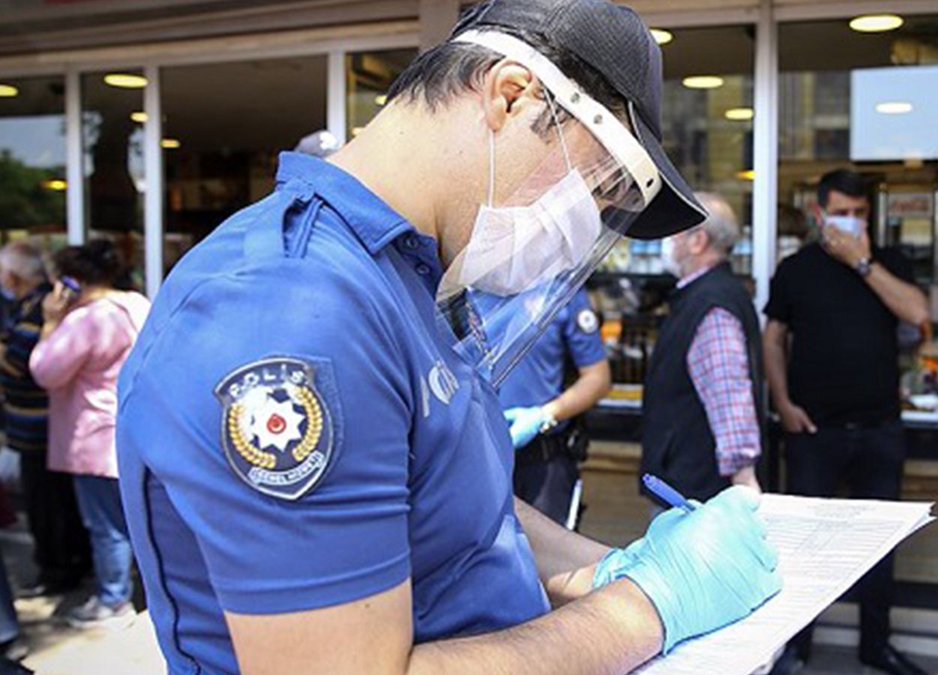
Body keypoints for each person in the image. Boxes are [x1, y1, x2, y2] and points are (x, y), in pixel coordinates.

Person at [115, 2, 782, 673]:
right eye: (600, 182)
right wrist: (649, 605)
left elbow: (454, 504)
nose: (588, 221)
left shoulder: (410, 275)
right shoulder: (291, 309)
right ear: (512, 95)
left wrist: (611, 566)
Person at [763, 169, 931, 675]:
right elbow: (773, 338)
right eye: (843, 213)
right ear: (820, 214)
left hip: (879, 430)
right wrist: (783, 402)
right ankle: (796, 647)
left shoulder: (889, 262)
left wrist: (862, 263)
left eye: (860, 214)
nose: (852, 221)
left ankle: (875, 646)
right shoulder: (796, 269)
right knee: (803, 549)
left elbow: (919, 314)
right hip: (815, 433)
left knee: (880, 549)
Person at [29, 240, 150, 629]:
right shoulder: (136, 304)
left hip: (95, 438)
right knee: (134, 520)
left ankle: (113, 599)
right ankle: (140, 591)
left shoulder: (86, 320)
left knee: (106, 526)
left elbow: (46, 371)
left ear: (70, 282)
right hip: (134, 430)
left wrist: (49, 322)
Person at [641, 192, 764, 504]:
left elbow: (728, 391)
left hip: (699, 495)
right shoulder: (703, 296)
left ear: (698, 241)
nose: (667, 242)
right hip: (687, 484)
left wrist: (743, 478)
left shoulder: (711, 305)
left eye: (674, 233)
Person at [0, 242, 92, 597]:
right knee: (60, 501)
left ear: (12, 275)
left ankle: (58, 572)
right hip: (48, 422)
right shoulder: (44, 302)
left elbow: (20, 364)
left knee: (46, 504)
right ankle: (73, 564)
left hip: (37, 427)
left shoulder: (38, 308)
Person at [501, 287, 611, 526]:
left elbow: (597, 378)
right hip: (474, 453)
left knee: (546, 558)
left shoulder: (561, 290)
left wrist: (545, 415)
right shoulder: (464, 285)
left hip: (540, 456)